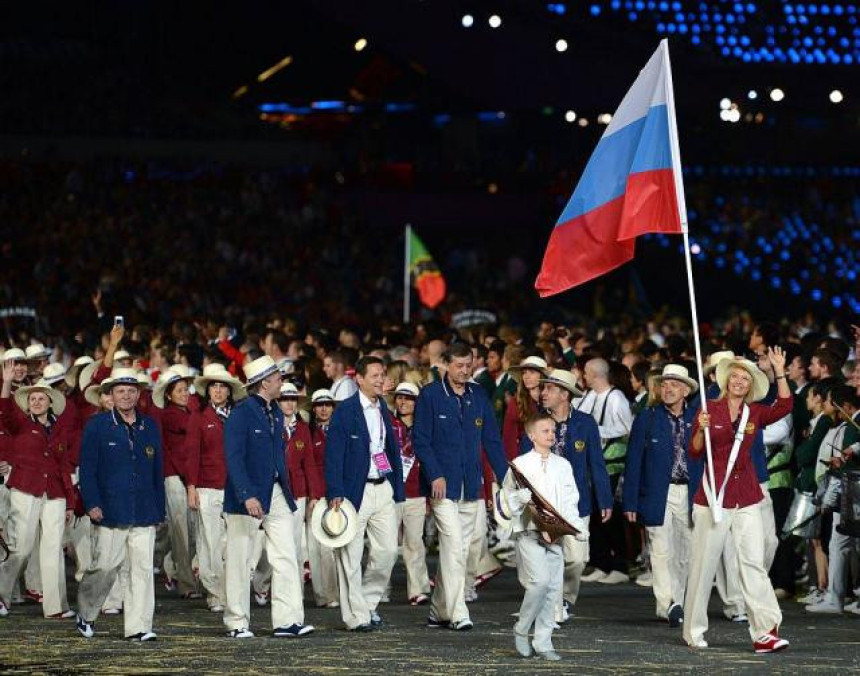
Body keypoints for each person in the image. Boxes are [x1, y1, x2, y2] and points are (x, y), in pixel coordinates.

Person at [683, 347, 792, 653]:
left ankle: (764, 631)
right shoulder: (708, 409)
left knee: (753, 563)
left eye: (746, 378)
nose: (739, 382)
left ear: (751, 385)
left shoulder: (754, 413)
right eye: (735, 377)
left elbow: (784, 405)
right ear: (726, 380)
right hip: (712, 498)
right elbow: (693, 450)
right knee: (704, 565)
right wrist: (700, 429)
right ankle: (693, 630)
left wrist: (780, 372)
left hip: (747, 497)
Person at [413, 342, 508, 631]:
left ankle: (438, 610)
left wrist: (505, 478)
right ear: (446, 365)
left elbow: (491, 439)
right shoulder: (430, 396)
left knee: (465, 551)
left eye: (468, 365)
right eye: (458, 365)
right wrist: (435, 474)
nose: (464, 371)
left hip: (472, 486)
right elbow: (421, 440)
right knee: (454, 547)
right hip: (443, 488)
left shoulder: (478, 395)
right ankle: (457, 612)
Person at [222, 355, 313, 639]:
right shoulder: (241, 413)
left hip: (275, 491)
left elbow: (277, 457)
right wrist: (246, 494)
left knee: (287, 554)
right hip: (247, 494)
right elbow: (233, 458)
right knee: (241, 557)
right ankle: (237, 621)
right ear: (264, 383)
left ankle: (288, 620)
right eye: (277, 379)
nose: (281, 383)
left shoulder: (274, 412)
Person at [76, 367, 166, 640]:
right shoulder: (97, 426)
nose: (126, 396)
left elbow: (157, 471)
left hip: (144, 508)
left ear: (138, 394)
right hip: (110, 509)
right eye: (120, 392)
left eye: (130, 391)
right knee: (104, 566)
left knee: (141, 570)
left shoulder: (149, 425)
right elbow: (87, 469)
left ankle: (139, 627)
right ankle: (87, 612)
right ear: (110, 396)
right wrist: (91, 503)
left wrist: (159, 509)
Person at [324, 356, 405, 631]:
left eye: (382, 374)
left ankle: (368, 604)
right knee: (350, 558)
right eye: (375, 375)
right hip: (353, 493)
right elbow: (333, 455)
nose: (381, 379)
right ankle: (356, 617)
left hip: (382, 487)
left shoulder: (383, 407)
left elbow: (387, 450)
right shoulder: (345, 411)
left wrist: (397, 489)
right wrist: (335, 490)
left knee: (388, 553)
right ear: (358, 379)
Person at [500, 413, 586, 661]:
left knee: (553, 588)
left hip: (556, 534)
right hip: (529, 532)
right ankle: (522, 627)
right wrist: (519, 499)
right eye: (545, 431)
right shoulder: (521, 464)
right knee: (538, 582)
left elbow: (570, 499)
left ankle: (544, 641)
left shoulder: (563, 465)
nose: (551, 434)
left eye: (553, 430)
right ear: (532, 435)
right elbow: (506, 498)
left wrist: (578, 527)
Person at [622, 364, 700, 628]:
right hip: (658, 491)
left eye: (675, 384)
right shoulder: (648, 417)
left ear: (687, 390)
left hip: (688, 491)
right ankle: (669, 603)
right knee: (660, 547)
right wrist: (631, 500)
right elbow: (633, 461)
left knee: (686, 551)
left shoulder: (699, 418)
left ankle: (673, 603)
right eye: (665, 383)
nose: (668, 388)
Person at [0, 364, 76, 619]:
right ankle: (2, 596)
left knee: (52, 548)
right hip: (25, 488)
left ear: (50, 402)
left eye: (40, 398)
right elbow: (4, 413)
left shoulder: (60, 429)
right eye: (32, 398)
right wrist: (7, 383)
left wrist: (70, 502)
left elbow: (64, 466)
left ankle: (55, 607)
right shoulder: (20, 424)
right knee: (20, 547)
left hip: (54, 492)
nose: (35, 401)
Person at [185, 363, 247, 613]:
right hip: (207, 486)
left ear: (230, 391)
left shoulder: (239, 416)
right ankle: (216, 592)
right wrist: (191, 487)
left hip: (234, 487)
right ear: (208, 391)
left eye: (222, 386)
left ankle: (229, 591)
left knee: (229, 542)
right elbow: (192, 454)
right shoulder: (199, 417)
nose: (218, 391)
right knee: (209, 542)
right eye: (214, 386)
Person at [577, 357, 634, 584]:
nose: (583, 377)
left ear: (595, 374)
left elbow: (628, 427)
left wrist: (597, 431)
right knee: (593, 515)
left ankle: (620, 565)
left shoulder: (616, 398)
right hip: (591, 464)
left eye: (586, 373)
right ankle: (600, 562)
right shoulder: (589, 396)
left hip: (612, 465)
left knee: (610, 515)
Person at [153, 366, 199, 599]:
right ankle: (186, 583)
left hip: (186, 476)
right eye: (179, 390)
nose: (185, 393)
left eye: (186, 389)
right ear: (169, 395)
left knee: (187, 532)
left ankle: (181, 575)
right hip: (176, 477)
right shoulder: (171, 414)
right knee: (181, 532)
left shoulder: (187, 412)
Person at [390, 382, 431, 605]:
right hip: (392, 493)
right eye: (399, 397)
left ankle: (417, 589)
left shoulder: (424, 427)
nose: (403, 402)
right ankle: (380, 588)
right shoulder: (388, 424)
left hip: (416, 492)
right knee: (385, 545)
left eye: (409, 398)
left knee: (415, 542)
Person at [306, 389, 339, 608]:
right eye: (319, 405)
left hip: (337, 495)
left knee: (335, 547)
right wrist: (312, 494)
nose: (324, 408)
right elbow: (306, 466)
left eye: (328, 404)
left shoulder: (340, 430)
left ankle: (335, 594)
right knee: (316, 547)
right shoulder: (307, 433)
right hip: (315, 495)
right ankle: (322, 595)